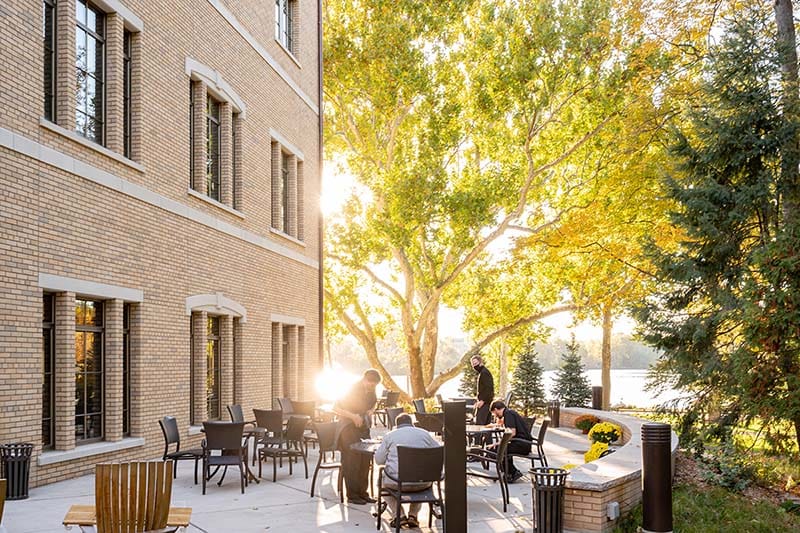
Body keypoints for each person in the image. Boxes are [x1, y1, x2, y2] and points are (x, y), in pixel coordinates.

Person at [374, 413, 442, 529]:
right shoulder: (425, 434)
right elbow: (438, 453)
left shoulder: (390, 436)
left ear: (397, 425)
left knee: (380, 483)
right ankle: (413, 515)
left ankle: (399, 515)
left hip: (396, 482)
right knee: (419, 476)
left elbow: (379, 460)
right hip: (422, 483)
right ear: (412, 424)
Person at [333, 369, 381, 504]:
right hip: (348, 428)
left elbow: (374, 403)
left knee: (365, 460)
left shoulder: (371, 391)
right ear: (364, 379)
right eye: (371, 384)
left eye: (375, 385)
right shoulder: (351, 389)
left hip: (363, 428)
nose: (372, 387)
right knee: (352, 462)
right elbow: (335, 407)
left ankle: (363, 493)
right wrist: (353, 416)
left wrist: (371, 411)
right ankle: (352, 495)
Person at [490, 400, 533, 483]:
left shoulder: (508, 414)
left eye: (494, 413)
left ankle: (512, 473)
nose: (495, 415)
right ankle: (509, 472)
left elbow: (512, 433)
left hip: (521, 445)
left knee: (495, 450)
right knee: (501, 448)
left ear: (495, 409)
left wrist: (498, 443)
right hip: (524, 444)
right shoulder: (510, 412)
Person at [472, 355, 494, 425]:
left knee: (479, 425)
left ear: (481, 362)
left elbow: (488, 388)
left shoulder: (484, 373)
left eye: (476, 363)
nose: (474, 366)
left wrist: (482, 401)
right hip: (485, 402)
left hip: (485, 403)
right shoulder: (482, 372)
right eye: (473, 364)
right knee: (486, 425)